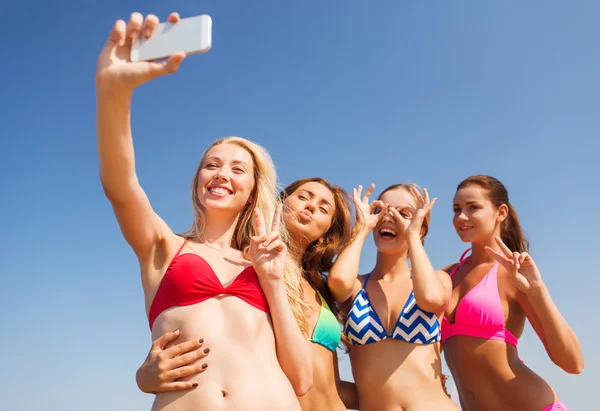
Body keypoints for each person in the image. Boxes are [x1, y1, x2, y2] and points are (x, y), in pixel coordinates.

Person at [96, 11, 312, 411]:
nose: (221, 174)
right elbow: (121, 187)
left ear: (252, 192)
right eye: (211, 165)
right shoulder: (163, 247)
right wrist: (113, 93)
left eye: (237, 168)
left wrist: (272, 282)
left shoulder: (268, 264)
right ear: (197, 181)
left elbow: (301, 379)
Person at [137, 178, 359, 410]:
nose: (311, 206)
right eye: (303, 197)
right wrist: (143, 376)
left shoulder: (320, 290)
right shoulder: (245, 268)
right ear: (278, 205)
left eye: (324, 208)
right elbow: (215, 335)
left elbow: (331, 385)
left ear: (326, 233)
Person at [441, 174, 584, 411]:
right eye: (456, 209)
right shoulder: (446, 276)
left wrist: (538, 291)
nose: (461, 217)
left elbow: (573, 363)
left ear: (501, 213)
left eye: (473, 207)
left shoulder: (512, 272)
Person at [328, 183, 458, 410]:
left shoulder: (438, 279)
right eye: (383, 210)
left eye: (403, 213)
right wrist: (361, 227)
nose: (390, 217)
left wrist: (413, 236)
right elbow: (337, 283)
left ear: (421, 228)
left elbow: (431, 299)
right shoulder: (356, 285)